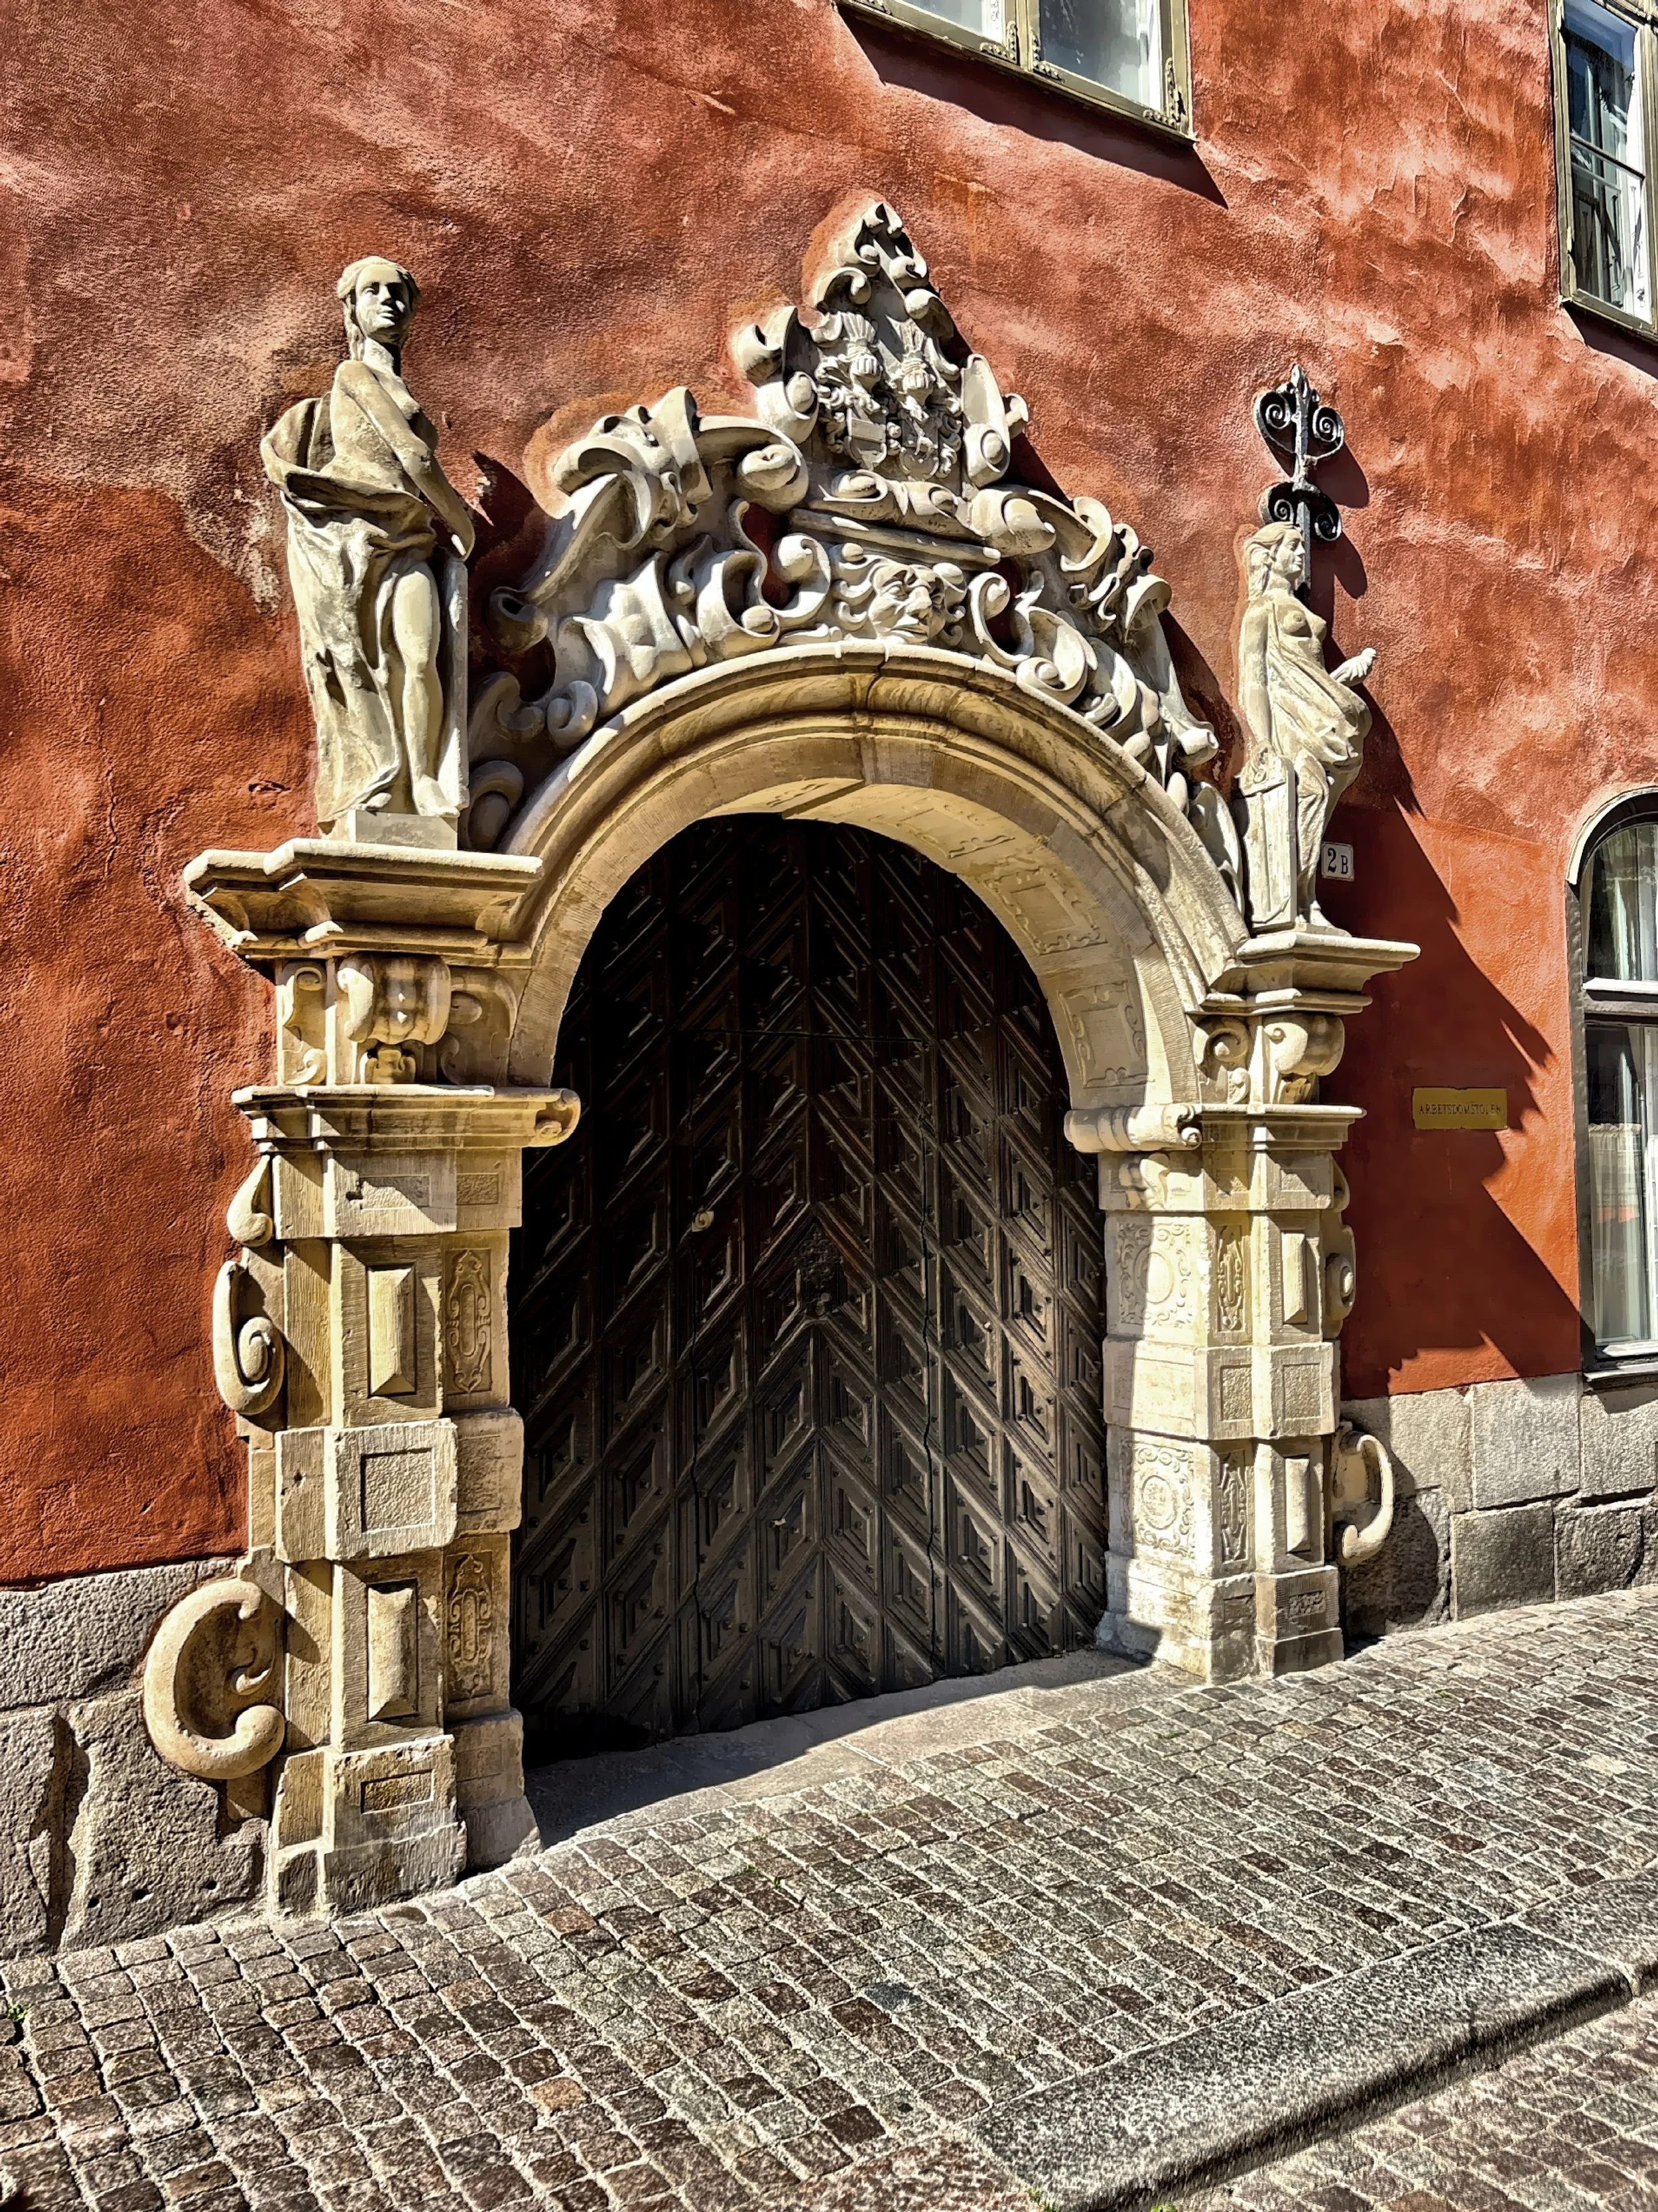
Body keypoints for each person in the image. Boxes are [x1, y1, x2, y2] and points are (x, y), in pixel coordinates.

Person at [262, 258, 474, 828]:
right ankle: (380, 778)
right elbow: (416, 457)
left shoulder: (397, 382)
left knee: (420, 656)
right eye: (373, 291)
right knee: (362, 662)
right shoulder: (353, 376)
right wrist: (465, 521)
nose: (389, 300)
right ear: (350, 309)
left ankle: (421, 778)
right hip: (354, 536)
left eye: (399, 291)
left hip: (407, 536)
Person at [1236, 520, 1375, 924]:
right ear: (1270, 555)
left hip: (1316, 714)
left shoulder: (1297, 607)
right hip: (1288, 719)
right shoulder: (1261, 610)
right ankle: (1290, 900)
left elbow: (1312, 680)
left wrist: (1346, 675)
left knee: (1321, 797)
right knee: (1308, 792)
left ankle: (1307, 899)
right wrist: (1262, 740)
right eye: (1293, 546)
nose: (1302, 554)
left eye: (1302, 545)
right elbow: (1256, 679)